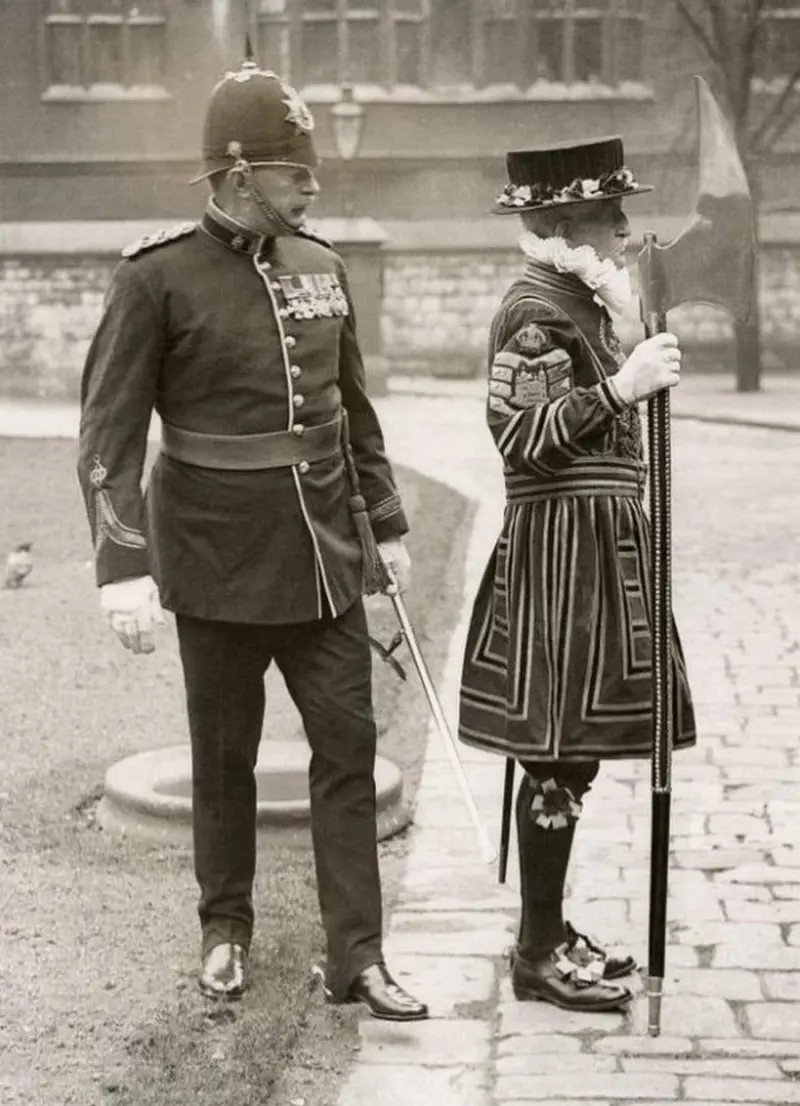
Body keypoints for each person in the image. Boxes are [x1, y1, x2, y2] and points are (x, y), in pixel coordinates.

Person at [77, 49, 428, 1022]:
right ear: (237, 173)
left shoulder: (323, 267)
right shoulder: (157, 278)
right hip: (215, 560)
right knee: (222, 760)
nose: (313, 186)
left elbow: (352, 416)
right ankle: (224, 929)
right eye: (295, 173)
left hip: (323, 560)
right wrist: (122, 567)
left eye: (313, 170)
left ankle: (356, 953)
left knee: (347, 748)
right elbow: (107, 434)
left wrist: (387, 525)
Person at [458, 138, 696, 1013]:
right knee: (555, 747)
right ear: (563, 224)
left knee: (576, 752)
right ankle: (534, 950)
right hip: (560, 552)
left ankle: (549, 931)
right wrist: (622, 390)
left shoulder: (583, 300)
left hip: (596, 548)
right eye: (612, 214)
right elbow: (519, 433)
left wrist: (635, 374)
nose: (628, 229)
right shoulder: (535, 308)